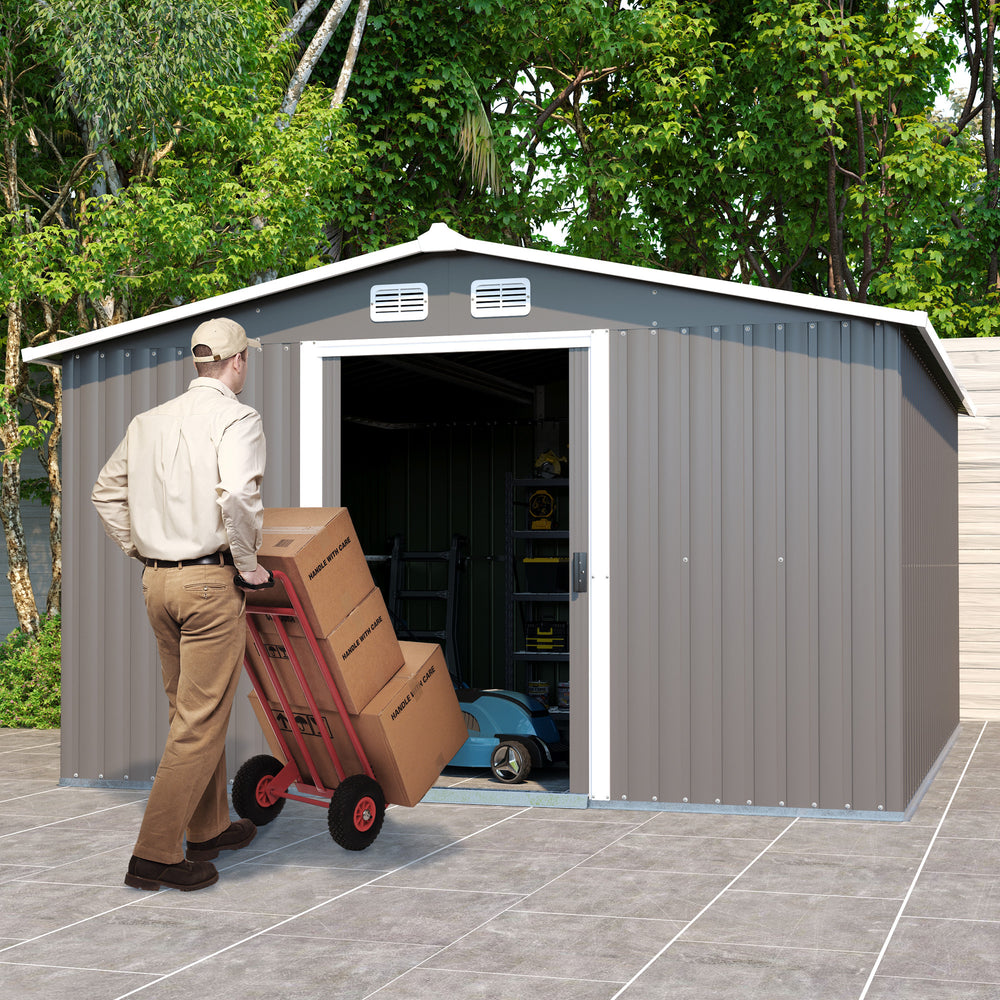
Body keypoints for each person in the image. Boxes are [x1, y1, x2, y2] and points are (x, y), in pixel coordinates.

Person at [92, 316, 273, 892]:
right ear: (238, 360)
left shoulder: (148, 422)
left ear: (200, 362)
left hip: (159, 585)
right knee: (200, 720)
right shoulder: (237, 418)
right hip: (209, 585)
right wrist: (247, 565)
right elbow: (240, 495)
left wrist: (140, 548)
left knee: (192, 713)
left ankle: (209, 825)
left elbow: (105, 490)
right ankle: (155, 855)